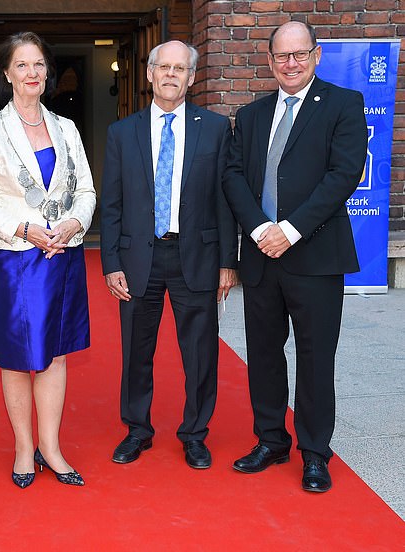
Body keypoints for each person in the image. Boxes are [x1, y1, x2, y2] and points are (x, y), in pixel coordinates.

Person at [222, 21, 367, 492]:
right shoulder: (251, 114)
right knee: (263, 354)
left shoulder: (344, 106)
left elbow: (343, 175)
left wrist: (290, 229)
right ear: (269, 60)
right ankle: (270, 440)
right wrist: (263, 229)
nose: (291, 63)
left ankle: (314, 452)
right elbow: (234, 177)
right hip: (262, 255)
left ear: (317, 55)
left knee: (315, 356)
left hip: (315, 255)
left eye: (300, 54)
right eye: (282, 56)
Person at [0, 31, 96, 489]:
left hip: (61, 253)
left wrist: (74, 225)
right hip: (16, 259)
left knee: (56, 355)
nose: (32, 73)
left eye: (38, 64)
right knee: (18, 358)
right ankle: (24, 447)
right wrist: (23, 229)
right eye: (21, 65)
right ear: (6, 73)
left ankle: (51, 447)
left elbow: (86, 191)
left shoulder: (67, 128)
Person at [100, 40, 238, 469]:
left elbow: (225, 198)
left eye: (181, 68)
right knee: (135, 352)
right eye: (164, 67)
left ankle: (195, 434)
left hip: (195, 256)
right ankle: (137, 430)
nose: (171, 74)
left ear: (192, 77)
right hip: (138, 259)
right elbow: (112, 204)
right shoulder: (122, 133)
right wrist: (111, 263)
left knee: (200, 354)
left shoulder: (215, 129)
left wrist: (228, 263)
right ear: (149, 73)